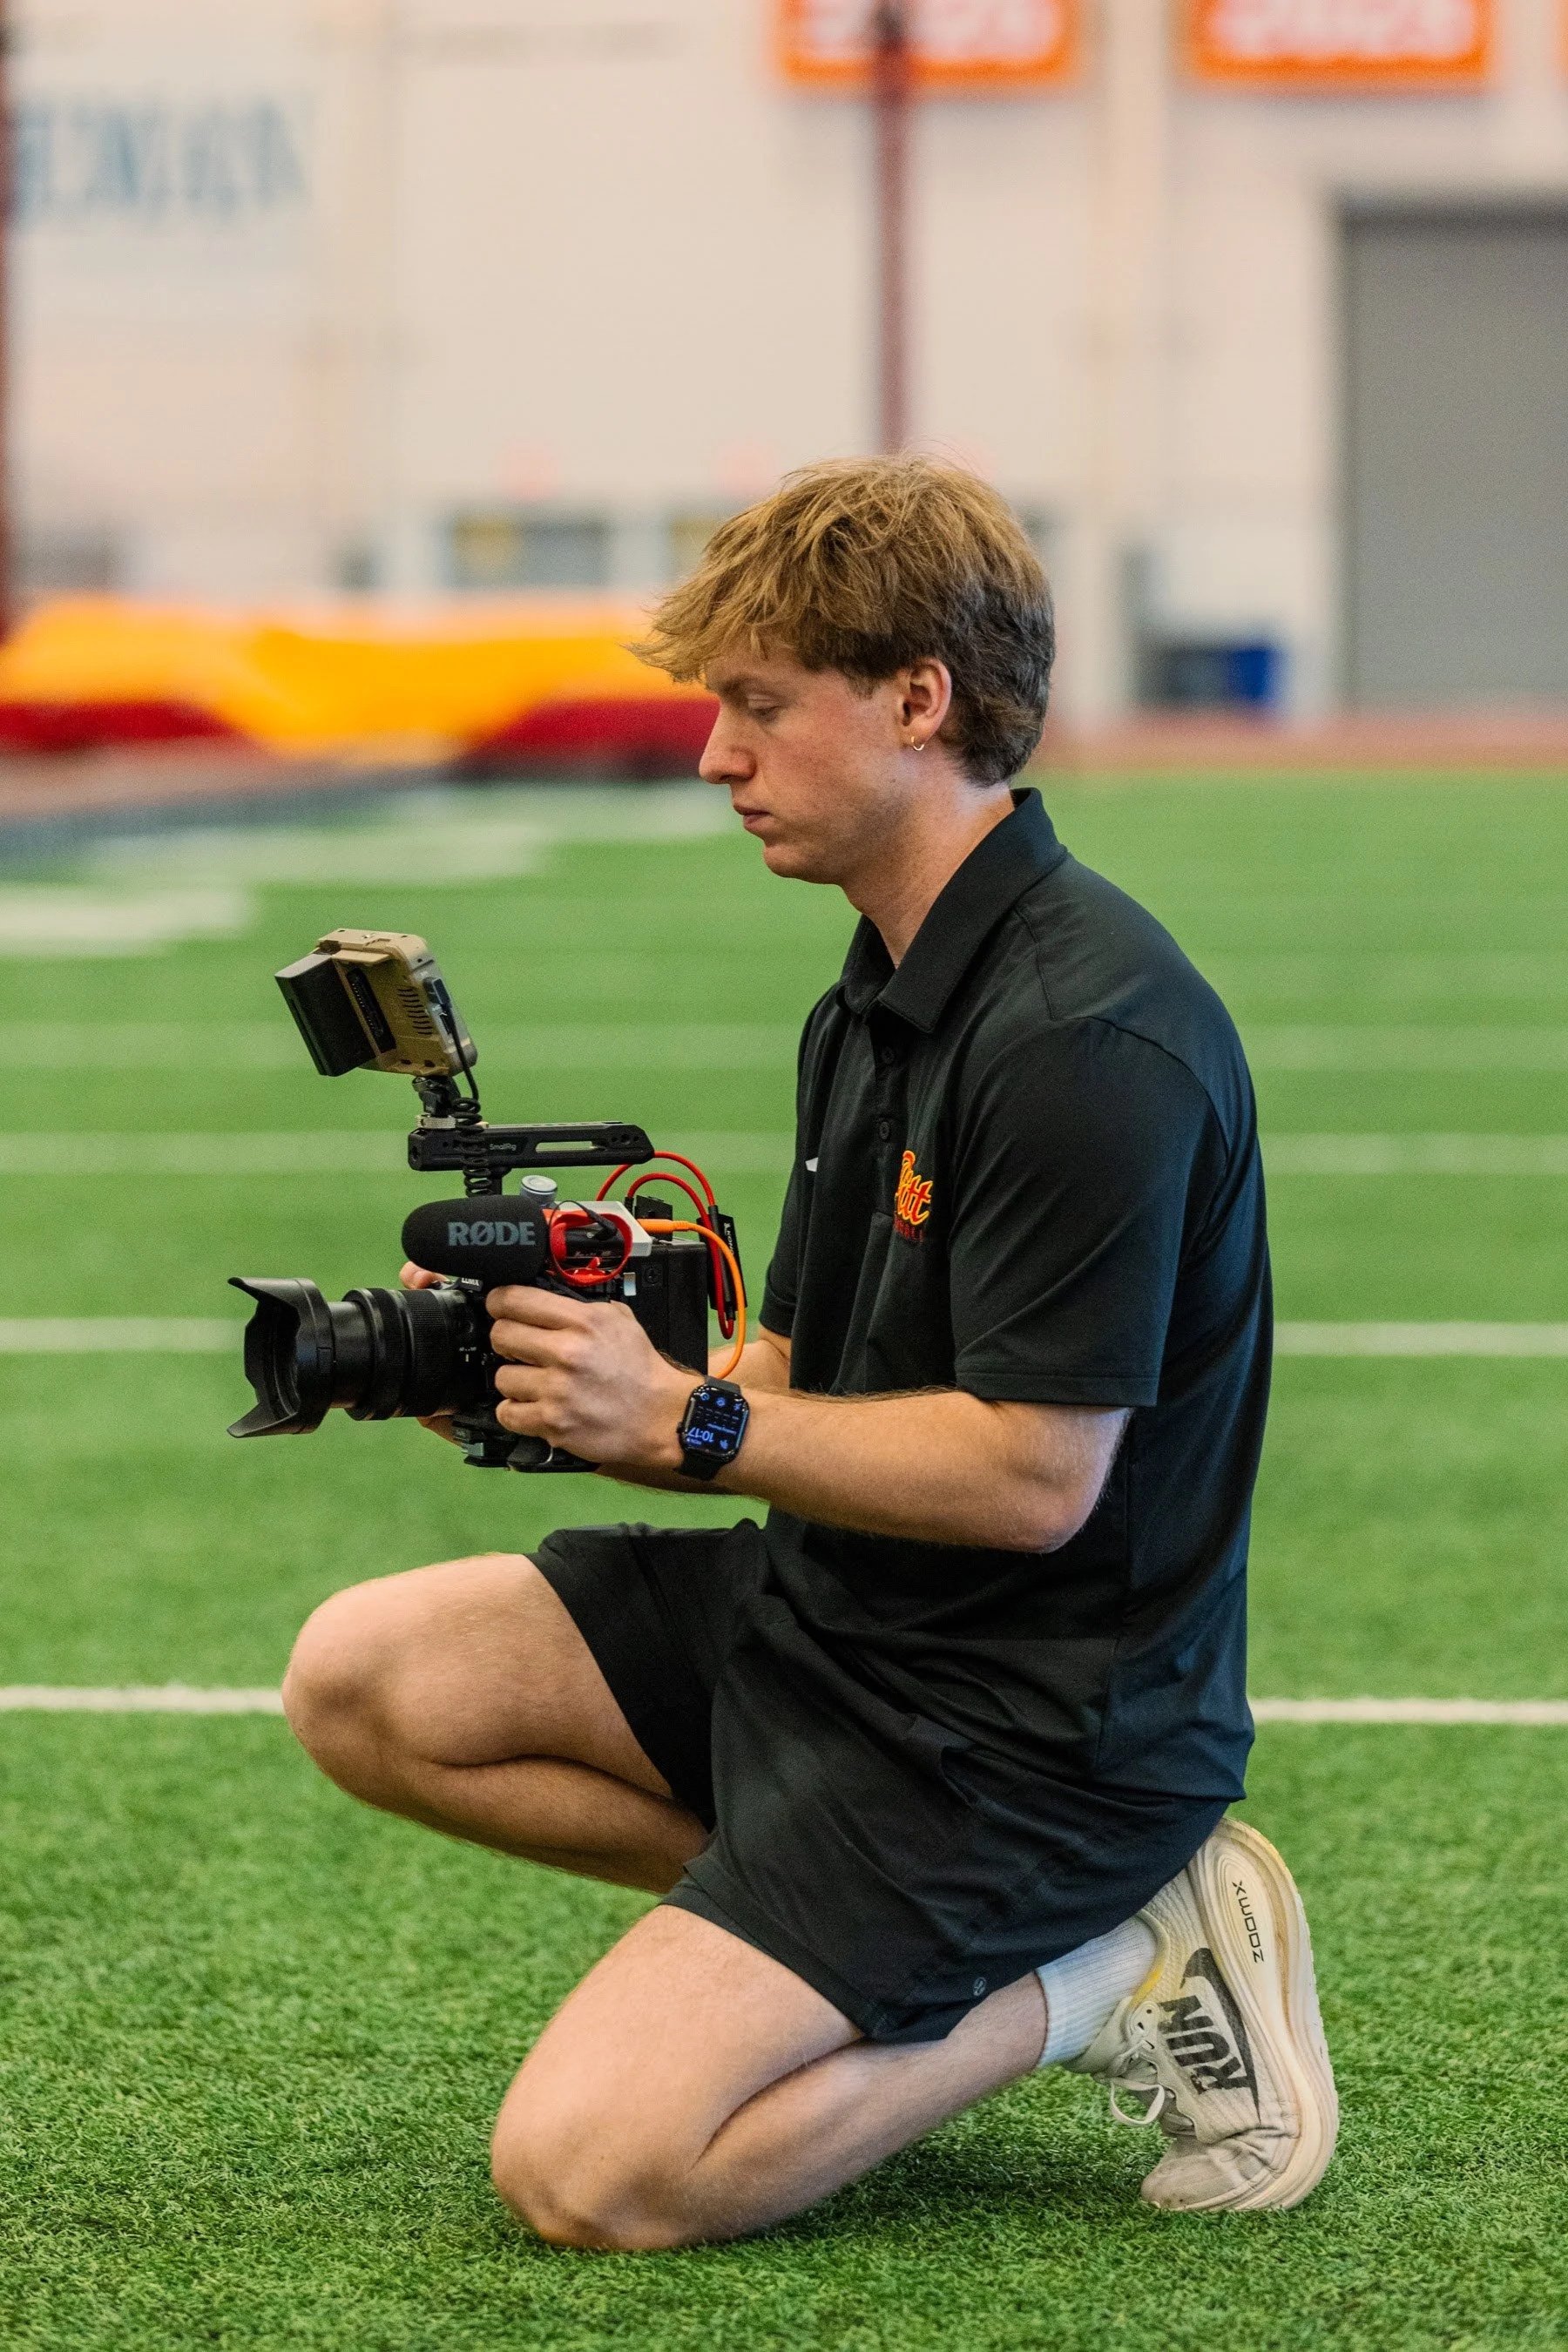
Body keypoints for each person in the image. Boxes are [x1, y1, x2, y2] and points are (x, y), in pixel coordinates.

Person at [281, 456, 1337, 2250]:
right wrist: (568, 1387)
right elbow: (790, 1372)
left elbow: (1028, 1478)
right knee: (364, 1679)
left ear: (918, 700)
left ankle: (1099, 1963)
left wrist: (687, 1426)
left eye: (759, 706)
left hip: (1027, 1729)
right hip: (838, 1625)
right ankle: (840, 1948)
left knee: (591, 2174)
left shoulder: (1089, 1032)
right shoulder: (876, 985)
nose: (716, 755)